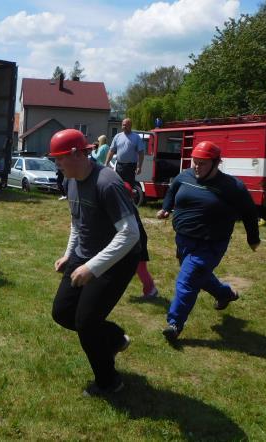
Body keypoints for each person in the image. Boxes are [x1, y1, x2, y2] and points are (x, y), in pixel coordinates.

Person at [49, 129, 142, 396]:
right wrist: (69, 254)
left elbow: (130, 233)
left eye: (59, 159)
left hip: (118, 258)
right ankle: (113, 338)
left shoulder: (107, 183)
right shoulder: (70, 181)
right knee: (63, 313)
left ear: (77, 154)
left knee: (87, 322)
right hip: (84, 253)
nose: (57, 165)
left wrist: (93, 267)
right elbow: (77, 221)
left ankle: (109, 382)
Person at [156, 141, 260, 341]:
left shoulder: (232, 186)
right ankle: (224, 294)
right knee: (197, 276)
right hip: (184, 240)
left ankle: (174, 323)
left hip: (211, 243)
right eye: (195, 161)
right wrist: (166, 208)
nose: (196, 166)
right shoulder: (185, 176)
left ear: (216, 163)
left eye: (202, 163)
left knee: (187, 279)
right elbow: (173, 189)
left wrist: (253, 239)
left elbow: (249, 212)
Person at [123, 182, 158, 298]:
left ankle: (151, 290)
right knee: (138, 267)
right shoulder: (129, 205)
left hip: (138, 241)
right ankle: (150, 289)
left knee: (140, 267)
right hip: (135, 239)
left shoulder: (127, 208)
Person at [104, 118, 144, 188]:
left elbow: (141, 153)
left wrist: (139, 167)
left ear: (130, 126)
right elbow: (111, 151)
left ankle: (128, 198)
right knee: (118, 185)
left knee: (129, 187)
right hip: (119, 166)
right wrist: (106, 162)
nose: (124, 127)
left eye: (126, 125)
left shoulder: (136, 137)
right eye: (123, 125)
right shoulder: (117, 136)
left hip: (131, 167)